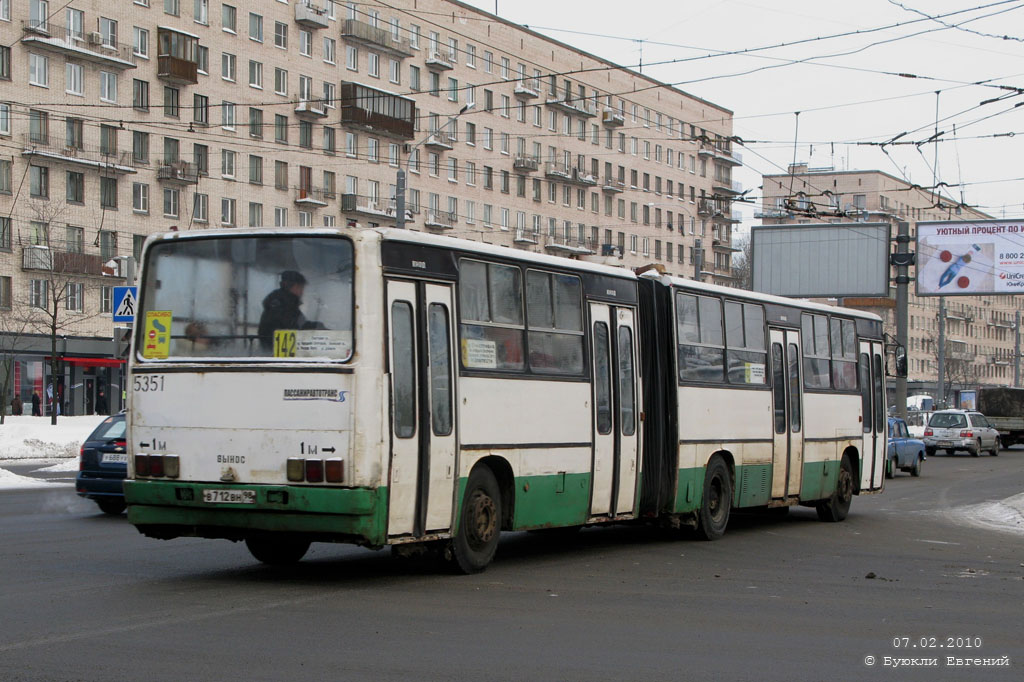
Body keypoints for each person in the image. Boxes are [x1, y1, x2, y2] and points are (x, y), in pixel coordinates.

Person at [258, 270, 310, 352]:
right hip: (278, 356)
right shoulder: (284, 305)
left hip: (275, 354)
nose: (302, 292)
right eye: (301, 288)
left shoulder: (282, 303)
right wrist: (318, 329)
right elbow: (295, 326)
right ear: (295, 286)